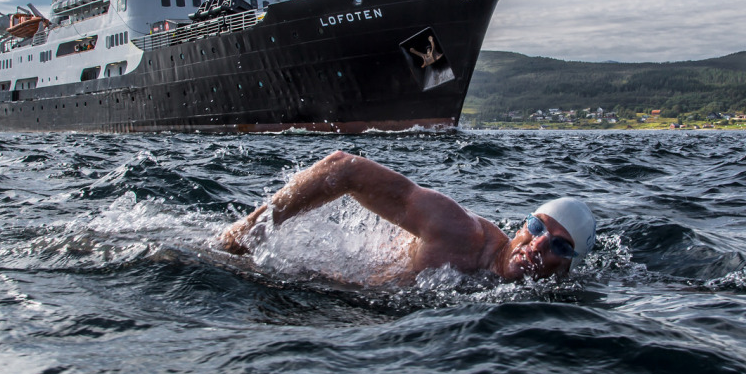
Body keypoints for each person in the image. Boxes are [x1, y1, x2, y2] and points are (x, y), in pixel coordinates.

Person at [218, 151, 596, 282]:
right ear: (521, 227)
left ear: (568, 268)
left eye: (560, 246)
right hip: (326, 286)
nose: (539, 244)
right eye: (536, 227)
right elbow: (343, 168)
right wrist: (248, 232)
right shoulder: (459, 232)